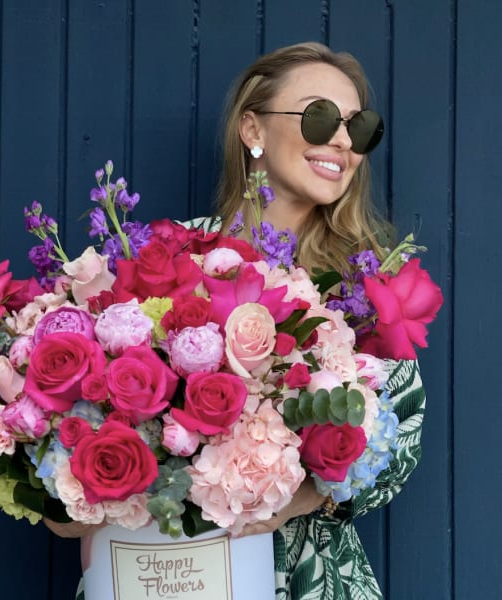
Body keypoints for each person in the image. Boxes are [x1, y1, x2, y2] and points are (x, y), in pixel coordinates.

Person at [48, 42, 425, 600]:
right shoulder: (169, 253)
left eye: (359, 127)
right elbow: (73, 410)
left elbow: (400, 441)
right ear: (253, 128)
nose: (344, 142)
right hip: (153, 569)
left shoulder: (364, 283)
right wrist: (74, 490)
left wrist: (297, 495)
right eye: (321, 117)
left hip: (305, 576)